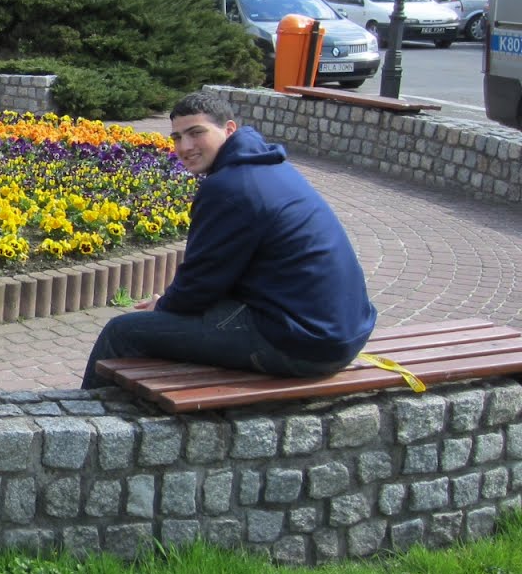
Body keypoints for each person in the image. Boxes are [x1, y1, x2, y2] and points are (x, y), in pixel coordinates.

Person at [81, 90, 376, 390]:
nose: (185, 147)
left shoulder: (229, 187)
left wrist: (163, 308)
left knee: (122, 332)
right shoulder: (269, 166)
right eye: (177, 137)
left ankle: (88, 417)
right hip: (344, 330)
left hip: (303, 345)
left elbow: (199, 284)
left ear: (229, 129)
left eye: (196, 133)